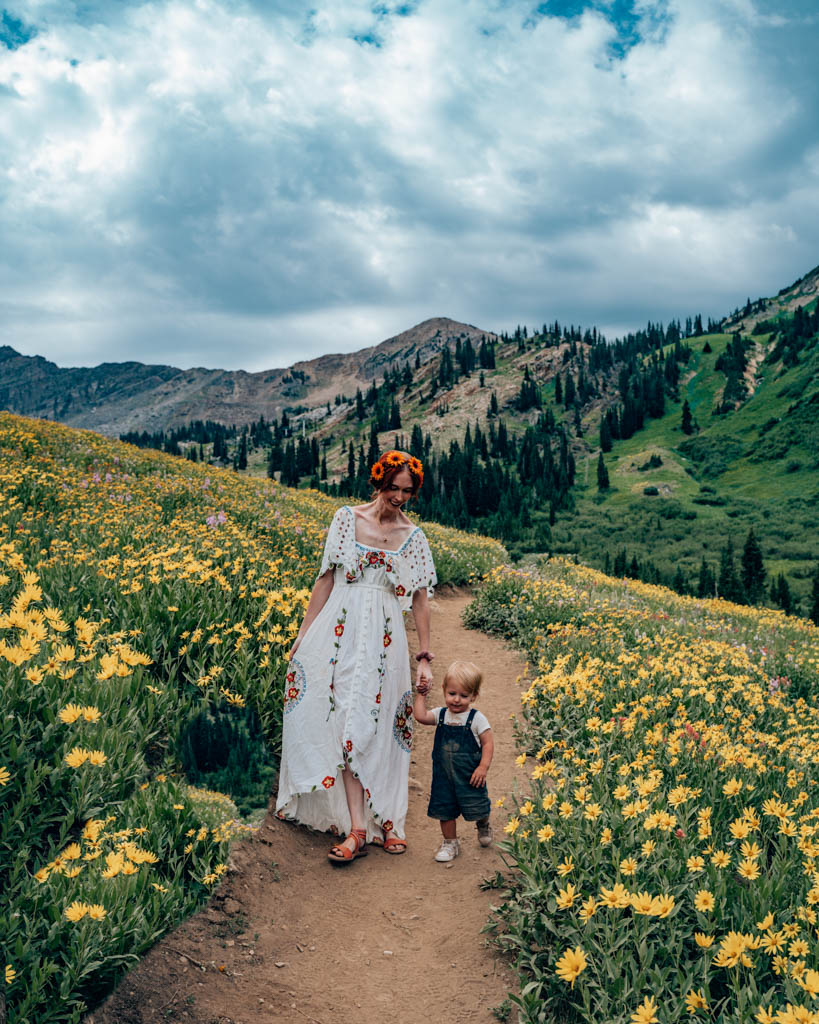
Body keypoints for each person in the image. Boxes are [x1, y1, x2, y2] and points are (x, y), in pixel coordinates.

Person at [275, 450, 436, 864]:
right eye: (392, 488)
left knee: (384, 724)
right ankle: (357, 829)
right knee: (344, 717)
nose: (398, 497)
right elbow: (326, 578)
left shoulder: (414, 538)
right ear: (377, 481)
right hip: (339, 632)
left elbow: (420, 598)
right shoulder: (347, 519)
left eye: (407, 491)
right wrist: (303, 636)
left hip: (386, 639)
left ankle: (388, 818)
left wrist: (424, 657)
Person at [414, 660, 494, 863]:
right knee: (445, 809)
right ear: (444, 690)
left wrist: (483, 767)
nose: (456, 700)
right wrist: (421, 696)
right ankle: (450, 843)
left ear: (474, 696)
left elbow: (487, 743)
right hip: (444, 777)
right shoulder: (441, 715)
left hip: (470, 776)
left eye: (464, 696)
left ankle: (483, 823)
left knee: (477, 806)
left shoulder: (476, 719)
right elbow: (420, 716)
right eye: (452, 694)